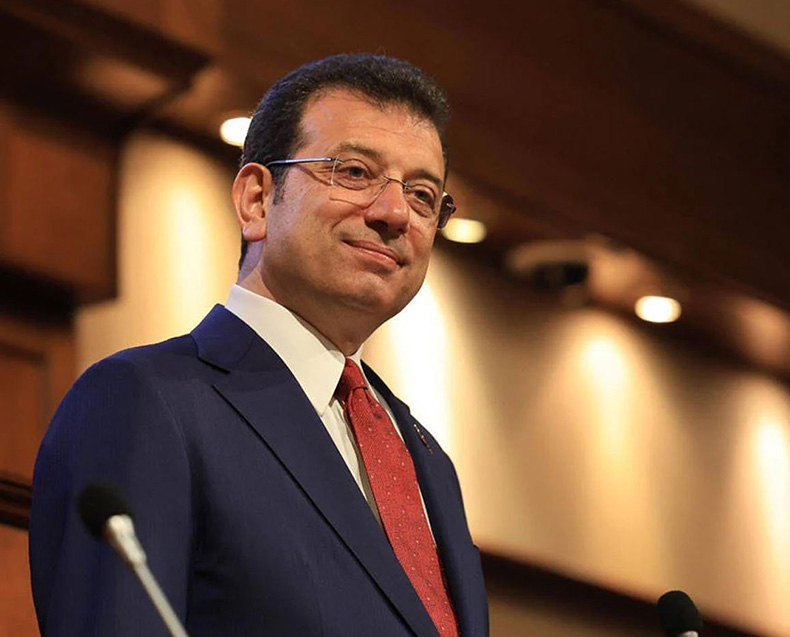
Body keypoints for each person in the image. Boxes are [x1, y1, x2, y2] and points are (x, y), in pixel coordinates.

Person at [29, 54, 489, 637]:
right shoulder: (143, 401)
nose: (395, 212)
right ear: (257, 200)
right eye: (354, 172)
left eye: (423, 195)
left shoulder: (427, 461)